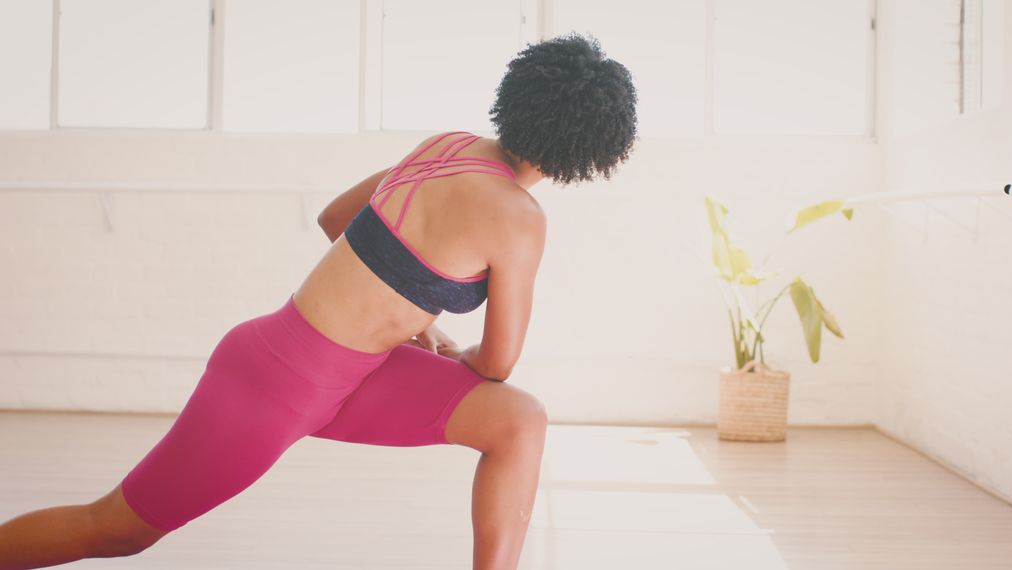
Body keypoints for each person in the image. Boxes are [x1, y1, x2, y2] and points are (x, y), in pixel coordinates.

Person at [0, 32, 636, 570]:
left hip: (337, 372)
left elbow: (338, 217)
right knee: (118, 528)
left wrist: (420, 324)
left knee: (518, 419)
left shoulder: (448, 146)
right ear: (589, 151)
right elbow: (496, 364)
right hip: (275, 385)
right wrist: (436, 334)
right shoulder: (520, 217)